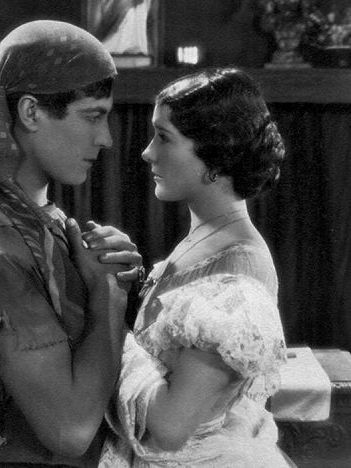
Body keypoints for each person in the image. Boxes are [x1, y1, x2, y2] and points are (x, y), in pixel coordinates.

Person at [0, 20, 143, 468]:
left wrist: (121, 277)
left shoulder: (39, 221)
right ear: (30, 113)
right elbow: (71, 430)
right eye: (92, 116)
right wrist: (108, 295)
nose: (106, 139)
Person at [76, 67, 294, 467]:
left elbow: (171, 427)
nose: (147, 152)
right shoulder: (206, 236)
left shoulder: (239, 267)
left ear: (216, 153)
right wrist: (127, 283)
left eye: (164, 137)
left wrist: (111, 321)